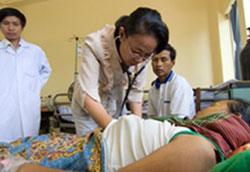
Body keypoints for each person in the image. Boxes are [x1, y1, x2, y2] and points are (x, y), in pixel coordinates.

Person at [1, 99, 250, 172]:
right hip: (88, 144)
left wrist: (24, 168)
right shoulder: (194, 135)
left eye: (218, 104)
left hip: (90, 156)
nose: (207, 107)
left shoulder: (202, 150)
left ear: (231, 119)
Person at [72, 7, 169, 135]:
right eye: (136, 52)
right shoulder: (96, 44)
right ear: (122, 34)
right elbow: (88, 95)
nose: (140, 59)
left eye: (147, 55)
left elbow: (135, 93)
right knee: (96, 149)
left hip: (116, 105)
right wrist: (116, 133)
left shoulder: (144, 53)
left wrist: (138, 130)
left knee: (123, 145)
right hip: (89, 111)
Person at [0, 7, 51, 142]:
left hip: (29, 105)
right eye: (6, 23)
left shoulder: (35, 51)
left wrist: (33, 88)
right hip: (3, 106)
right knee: (5, 146)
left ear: (22, 27)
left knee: (28, 144)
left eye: (15, 24)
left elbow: (46, 70)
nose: (10, 28)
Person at [147, 44, 195, 119]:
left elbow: (179, 119)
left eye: (163, 60)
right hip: (161, 128)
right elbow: (151, 117)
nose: (158, 64)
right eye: (155, 60)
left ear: (173, 63)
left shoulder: (179, 84)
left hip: (180, 128)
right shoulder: (153, 89)